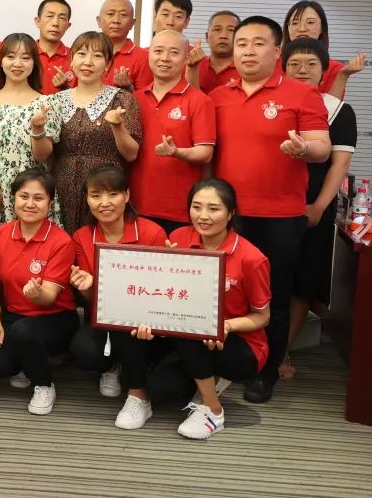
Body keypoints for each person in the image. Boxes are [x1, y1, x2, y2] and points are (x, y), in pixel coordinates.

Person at [211, 15, 329, 403]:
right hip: (227, 217)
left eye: (258, 43)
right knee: (222, 292)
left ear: (277, 51)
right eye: (242, 43)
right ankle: (220, 363)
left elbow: (322, 148)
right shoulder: (219, 96)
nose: (248, 50)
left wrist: (303, 148)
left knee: (273, 298)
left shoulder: (302, 94)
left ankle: (267, 372)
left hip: (279, 217)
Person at [111, 179, 271, 439]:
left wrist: (226, 326)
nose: (203, 216)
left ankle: (213, 409)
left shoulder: (251, 258)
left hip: (237, 344)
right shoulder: (177, 238)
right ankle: (138, 397)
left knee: (190, 328)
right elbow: (166, 295)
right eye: (196, 207)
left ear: (231, 213)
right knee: (159, 383)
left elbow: (262, 316)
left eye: (213, 209)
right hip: (184, 335)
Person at [280, 38, 357, 379]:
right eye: (294, 63)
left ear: (325, 72)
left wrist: (320, 206)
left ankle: (282, 353)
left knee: (302, 283)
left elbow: (339, 165)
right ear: (283, 68)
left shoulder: (338, 110)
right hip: (271, 206)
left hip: (313, 205)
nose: (302, 70)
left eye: (311, 64)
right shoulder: (272, 103)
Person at [0, 169, 78, 415]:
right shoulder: (0, 234)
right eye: (23, 196)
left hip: (54, 318)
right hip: (15, 316)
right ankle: (28, 360)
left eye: (38, 198)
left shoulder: (61, 241)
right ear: (13, 199)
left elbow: (49, 297)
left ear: (50, 204)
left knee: (24, 332)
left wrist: (37, 293)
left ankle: (44, 384)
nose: (30, 204)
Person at [67, 166, 167, 398]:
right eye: (96, 195)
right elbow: (90, 301)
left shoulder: (152, 233)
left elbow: (162, 288)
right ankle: (112, 366)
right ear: (87, 199)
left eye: (113, 194)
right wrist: (87, 286)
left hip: (146, 319)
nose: (105, 203)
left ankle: (136, 384)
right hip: (104, 319)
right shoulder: (82, 236)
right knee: (83, 350)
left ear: (127, 195)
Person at [0, 34, 61, 238]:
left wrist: (37, 129)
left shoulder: (47, 104)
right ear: (0, 62)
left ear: (34, 63)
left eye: (25, 58)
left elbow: (42, 156)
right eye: (10, 57)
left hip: (30, 197)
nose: (17, 64)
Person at [50, 31, 142, 233]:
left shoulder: (122, 99)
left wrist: (117, 126)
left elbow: (131, 154)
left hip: (105, 190)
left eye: (97, 56)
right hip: (61, 186)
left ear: (108, 64)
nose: (88, 62)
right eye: (81, 54)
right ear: (71, 61)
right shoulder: (55, 100)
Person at [130, 30, 215, 234]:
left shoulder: (200, 100)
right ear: (149, 54)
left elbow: (205, 153)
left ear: (186, 58)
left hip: (179, 209)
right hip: (136, 205)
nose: (165, 58)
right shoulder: (135, 98)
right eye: (158, 51)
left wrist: (176, 152)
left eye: (174, 52)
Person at [282, 0, 366, 98]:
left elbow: (333, 106)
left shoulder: (335, 68)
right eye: (295, 23)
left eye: (310, 22)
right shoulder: (272, 62)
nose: (302, 29)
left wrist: (343, 76)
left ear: (322, 27)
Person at [96, 0, 151, 90]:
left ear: (132, 23)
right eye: (110, 14)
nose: (116, 21)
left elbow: (145, 97)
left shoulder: (144, 57)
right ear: (99, 21)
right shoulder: (85, 52)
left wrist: (128, 89)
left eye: (123, 15)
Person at [34, 0, 75, 95]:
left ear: (68, 26)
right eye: (50, 16)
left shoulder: (76, 57)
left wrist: (65, 87)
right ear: (38, 21)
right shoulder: (24, 54)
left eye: (62, 18)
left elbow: (85, 95)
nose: (55, 23)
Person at [193, 10, 240, 93]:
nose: (223, 36)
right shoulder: (193, 66)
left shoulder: (246, 70)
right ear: (207, 36)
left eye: (230, 30)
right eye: (217, 29)